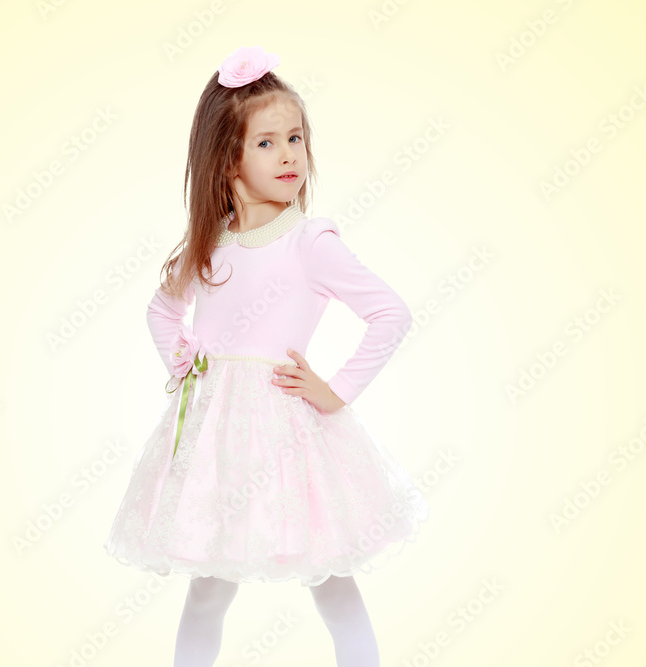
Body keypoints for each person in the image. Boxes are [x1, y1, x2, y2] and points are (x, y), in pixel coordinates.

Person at [103, 45, 429, 667]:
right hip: (216, 443)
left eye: (296, 139)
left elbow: (391, 313)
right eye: (267, 143)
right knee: (207, 588)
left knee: (331, 581)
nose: (289, 155)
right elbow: (162, 311)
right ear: (227, 157)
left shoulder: (310, 241)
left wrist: (337, 390)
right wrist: (184, 363)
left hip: (288, 436)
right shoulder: (209, 245)